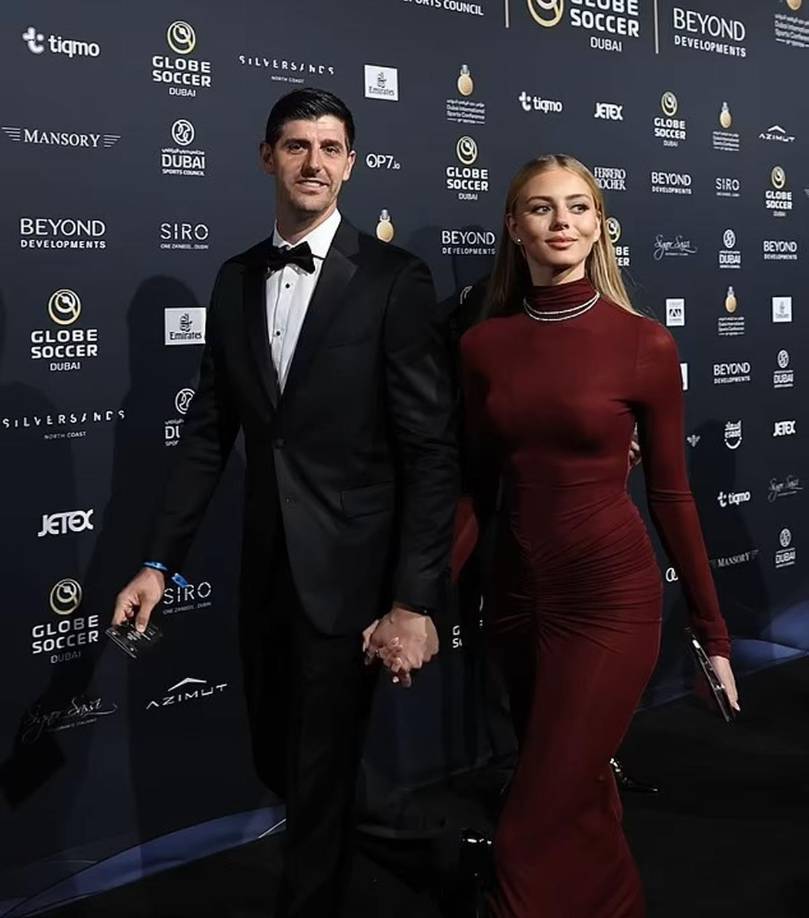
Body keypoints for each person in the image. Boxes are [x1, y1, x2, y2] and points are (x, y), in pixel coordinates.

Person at [112, 88, 458, 918]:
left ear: (351, 162)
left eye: (330, 147)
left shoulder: (393, 281)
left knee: (315, 767)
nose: (314, 163)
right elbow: (207, 435)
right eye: (296, 146)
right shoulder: (234, 279)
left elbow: (430, 450)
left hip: (352, 572)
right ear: (267, 157)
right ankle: (437, 859)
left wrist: (412, 599)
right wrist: (159, 561)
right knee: (281, 755)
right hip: (265, 563)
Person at [456, 154, 739, 917]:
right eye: (542, 209)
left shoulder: (643, 344)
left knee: (525, 830)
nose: (561, 224)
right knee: (578, 804)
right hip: (515, 600)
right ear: (513, 228)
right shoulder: (484, 347)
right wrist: (416, 601)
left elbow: (673, 494)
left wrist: (711, 633)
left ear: (598, 226)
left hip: (609, 600)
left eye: (578, 208)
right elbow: (474, 492)